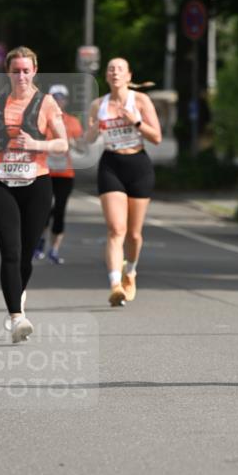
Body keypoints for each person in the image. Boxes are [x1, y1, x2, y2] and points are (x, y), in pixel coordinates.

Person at [0, 46, 68, 343]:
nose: (21, 76)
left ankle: (17, 295)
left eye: (26, 70)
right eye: (15, 70)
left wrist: (37, 145)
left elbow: (62, 144)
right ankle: (17, 316)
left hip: (37, 185)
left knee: (26, 254)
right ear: (8, 72)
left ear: (35, 71)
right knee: (11, 252)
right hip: (2, 183)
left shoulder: (46, 103)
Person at [84, 57, 161, 306]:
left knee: (134, 235)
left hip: (138, 165)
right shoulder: (99, 104)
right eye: (110, 70)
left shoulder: (140, 101)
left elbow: (157, 137)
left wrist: (135, 121)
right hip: (111, 165)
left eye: (120, 69)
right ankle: (115, 284)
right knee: (116, 229)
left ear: (129, 75)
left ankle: (131, 272)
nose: (115, 73)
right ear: (106, 77)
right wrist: (94, 130)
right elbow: (86, 139)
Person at [34, 83, 83, 264]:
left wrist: (72, 141)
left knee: (60, 210)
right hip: (44, 171)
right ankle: (39, 244)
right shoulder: (41, 120)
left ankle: (54, 249)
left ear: (66, 100)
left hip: (65, 173)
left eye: (61, 97)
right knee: (44, 209)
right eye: (55, 97)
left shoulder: (72, 121)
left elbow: (81, 146)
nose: (58, 101)